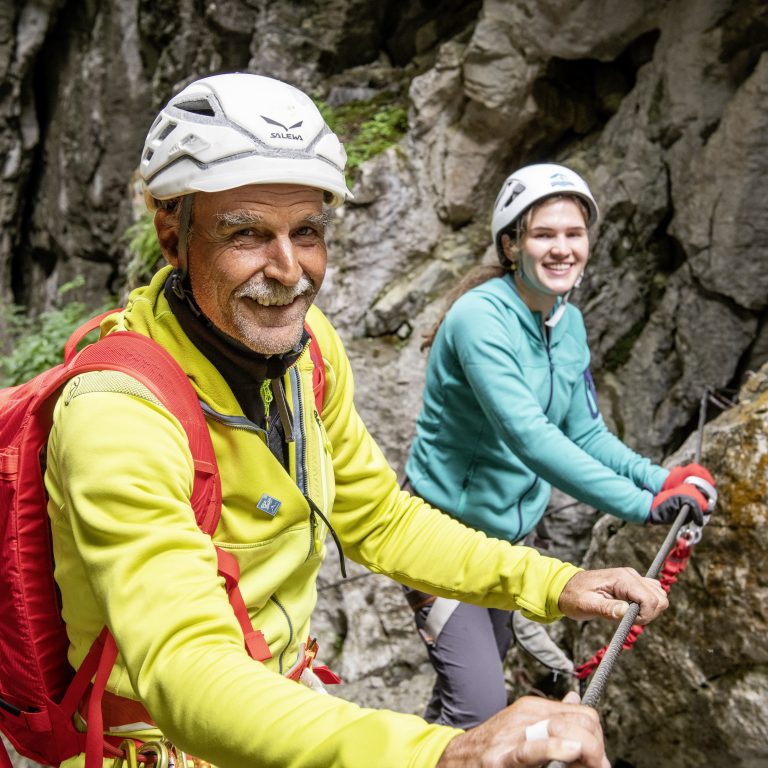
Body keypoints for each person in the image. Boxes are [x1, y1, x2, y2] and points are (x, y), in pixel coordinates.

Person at [45, 74, 669, 768]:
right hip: (151, 745)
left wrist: (554, 584)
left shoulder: (307, 351)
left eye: (306, 231)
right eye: (246, 232)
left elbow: (377, 520)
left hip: (280, 705)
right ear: (172, 236)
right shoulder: (116, 412)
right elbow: (184, 664)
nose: (289, 270)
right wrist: (443, 752)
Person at [402, 162, 717, 730]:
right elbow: (531, 439)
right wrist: (643, 507)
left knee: (467, 692)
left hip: (511, 538)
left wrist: (660, 480)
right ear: (511, 243)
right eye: (544, 234)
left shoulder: (564, 323)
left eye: (574, 234)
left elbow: (586, 431)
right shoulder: (480, 320)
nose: (562, 248)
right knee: (477, 705)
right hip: (439, 534)